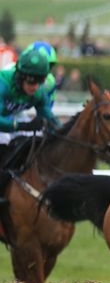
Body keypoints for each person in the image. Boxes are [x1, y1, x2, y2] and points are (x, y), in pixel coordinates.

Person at [0, 49, 61, 209]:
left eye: (39, 82)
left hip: (8, 119)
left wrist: (63, 132)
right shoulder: (3, 84)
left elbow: (48, 116)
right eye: (31, 82)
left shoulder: (38, 92)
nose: (35, 87)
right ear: (20, 77)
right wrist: (23, 126)